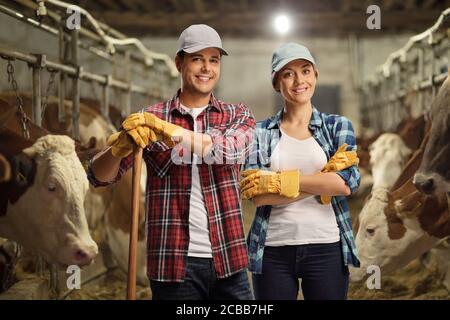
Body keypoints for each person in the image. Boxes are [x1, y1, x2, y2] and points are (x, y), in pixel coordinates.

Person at [87, 24, 255, 300]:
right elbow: (98, 177)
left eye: (214, 60)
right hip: (173, 264)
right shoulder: (148, 117)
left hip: (229, 259)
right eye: (197, 58)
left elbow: (230, 152)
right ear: (179, 63)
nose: (206, 68)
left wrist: (171, 131)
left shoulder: (236, 115)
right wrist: (118, 150)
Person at [241, 42, 360, 300]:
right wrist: (322, 182)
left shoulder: (338, 125)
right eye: (288, 74)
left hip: (327, 246)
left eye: (306, 71)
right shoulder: (259, 132)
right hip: (272, 249)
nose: (299, 80)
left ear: (315, 75)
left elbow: (345, 185)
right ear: (276, 83)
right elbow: (258, 195)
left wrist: (281, 181)